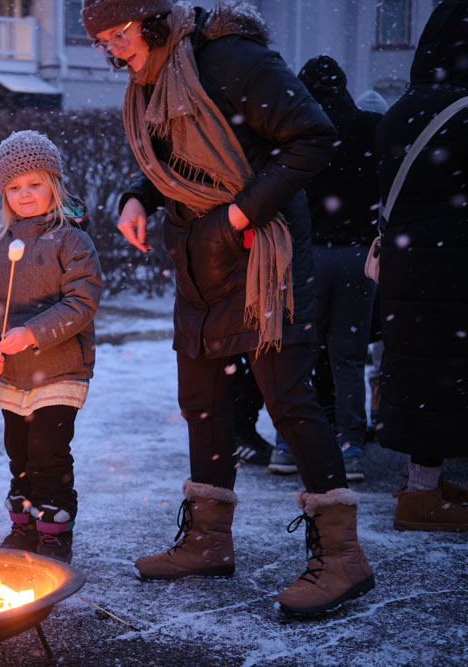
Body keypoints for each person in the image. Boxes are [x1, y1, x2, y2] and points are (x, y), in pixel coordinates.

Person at [81, 0, 374, 615]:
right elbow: (172, 162)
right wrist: (139, 196)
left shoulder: (230, 59)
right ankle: (208, 541)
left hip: (262, 258)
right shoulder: (154, 80)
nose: (113, 49)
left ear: (153, 20)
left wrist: (242, 212)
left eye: (119, 33)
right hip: (198, 262)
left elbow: (313, 135)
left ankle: (342, 557)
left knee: (289, 403)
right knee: (203, 403)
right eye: (102, 40)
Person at [0, 130, 102, 564]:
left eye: (35, 184)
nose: (24, 194)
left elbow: (82, 301)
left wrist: (33, 333)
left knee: (47, 452)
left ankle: (54, 530)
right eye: (14, 187)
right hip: (13, 376)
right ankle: (23, 525)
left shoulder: (71, 240)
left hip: (60, 369)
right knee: (18, 452)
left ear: (53, 184)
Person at [264, 56, 382, 483]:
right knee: (348, 357)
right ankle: (351, 447)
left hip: (307, 255)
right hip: (358, 257)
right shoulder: (371, 127)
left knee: (300, 353)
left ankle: (287, 445)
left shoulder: (298, 130)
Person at [374, 0, 468, 531]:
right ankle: (423, 500)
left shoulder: (401, 110)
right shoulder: (463, 109)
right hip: (453, 270)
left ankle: (422, 484)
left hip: (408, 268)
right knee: (445, 378)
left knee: (420, 374)